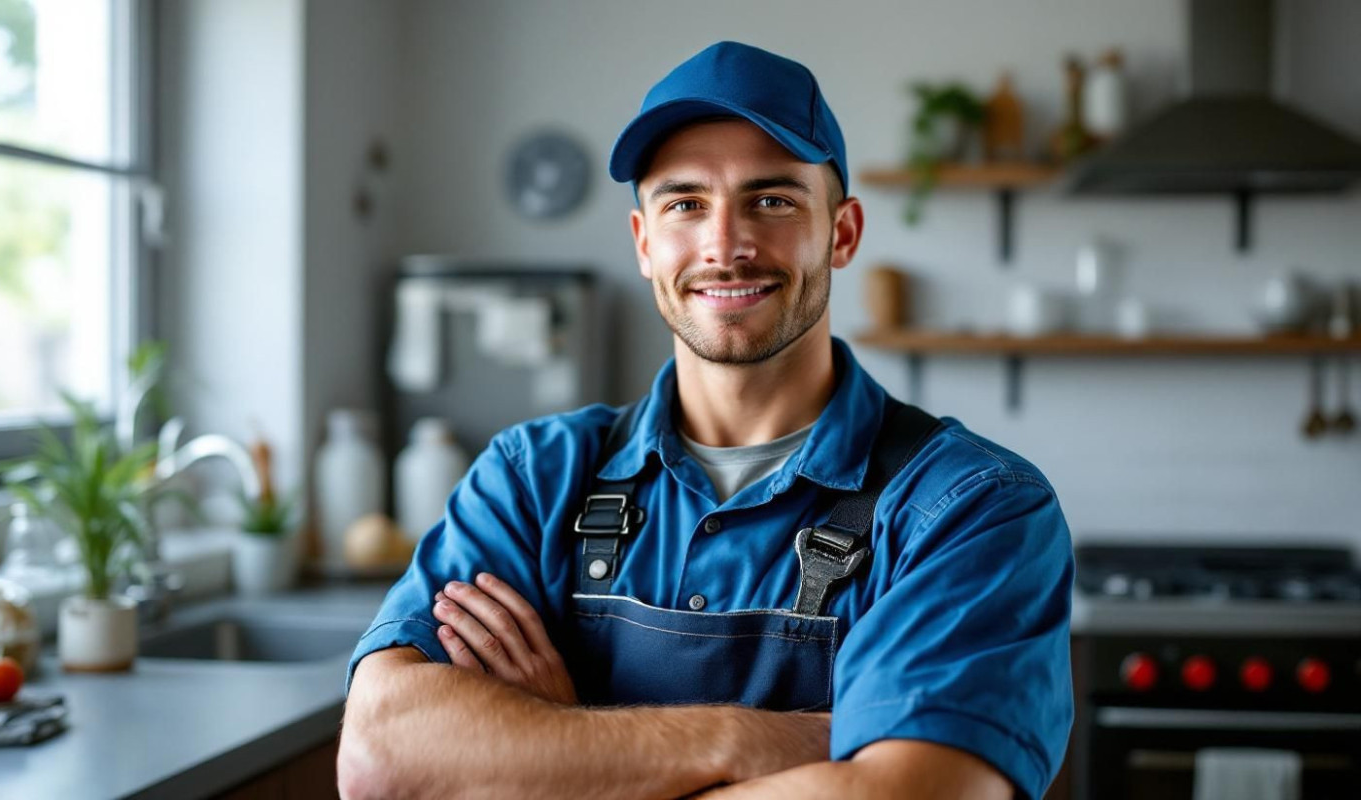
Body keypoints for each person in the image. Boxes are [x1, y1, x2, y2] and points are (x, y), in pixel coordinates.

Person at [338, 41, 1073, 800]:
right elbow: (382, 757)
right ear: (644, 243)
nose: (726, 245)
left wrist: (562, 749)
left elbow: (915, 796)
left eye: (774, 200)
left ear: (842, 233)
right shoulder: (533, 480)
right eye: (686, 203)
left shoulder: (970, 508)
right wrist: (762, 740)